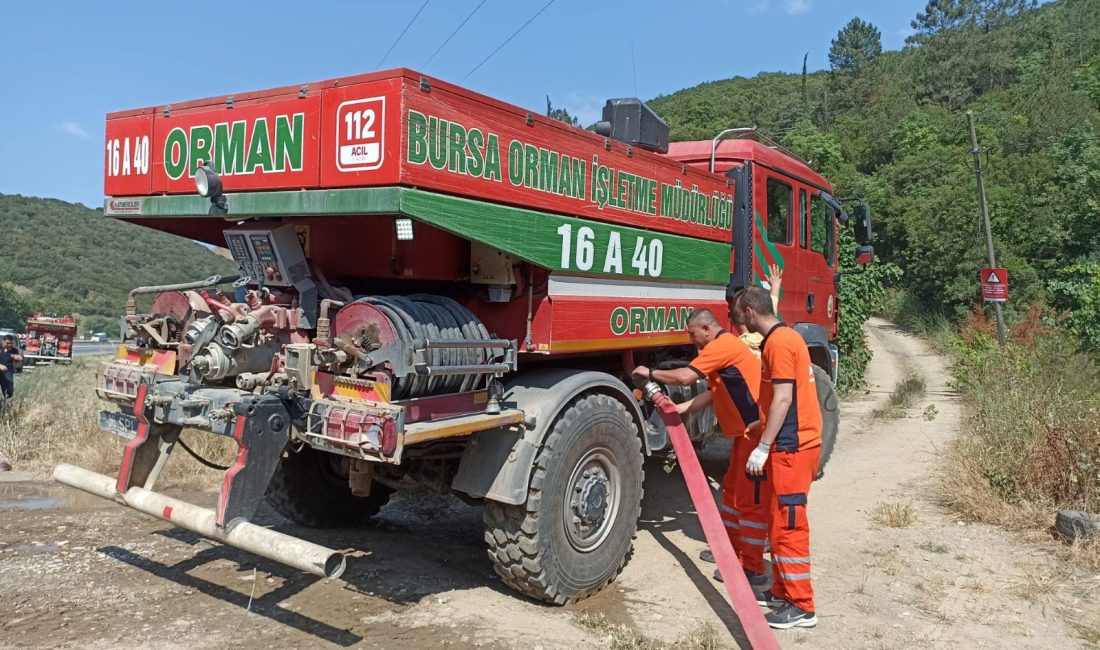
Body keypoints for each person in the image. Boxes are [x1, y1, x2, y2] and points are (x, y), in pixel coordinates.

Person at [630, 308, 769, 593]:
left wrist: (650, 372)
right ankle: (731, 552)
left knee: (749, 501)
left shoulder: (723, 346)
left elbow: (684, 378)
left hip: (753, 434)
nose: (694, 343)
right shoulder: (725, 347)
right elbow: (716, 392)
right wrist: (684, 408)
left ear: (706, 328)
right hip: (744, 436)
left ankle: (753, 569)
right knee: (731, 493)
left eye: (694, 336)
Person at [733, 286, 822, 630]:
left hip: (792, 448)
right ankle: (783, 591)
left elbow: (784, 399)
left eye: (739, 314)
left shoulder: (780, 344)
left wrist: (764, 446)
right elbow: (781, 398)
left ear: (751, 314)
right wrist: (761, 426)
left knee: (788, 525)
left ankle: (802, 605)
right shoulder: (783, 338)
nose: (737, 320)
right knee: (779, 520)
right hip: (791, 444)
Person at [0, 335, 23, 401]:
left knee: (9, 390)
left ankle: (7, 406)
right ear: (3, 341)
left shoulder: (14, 350)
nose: (9, 345)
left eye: (11, 343)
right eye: (7, 343)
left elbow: (19, 358)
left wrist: (14, 356)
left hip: (8, 372)